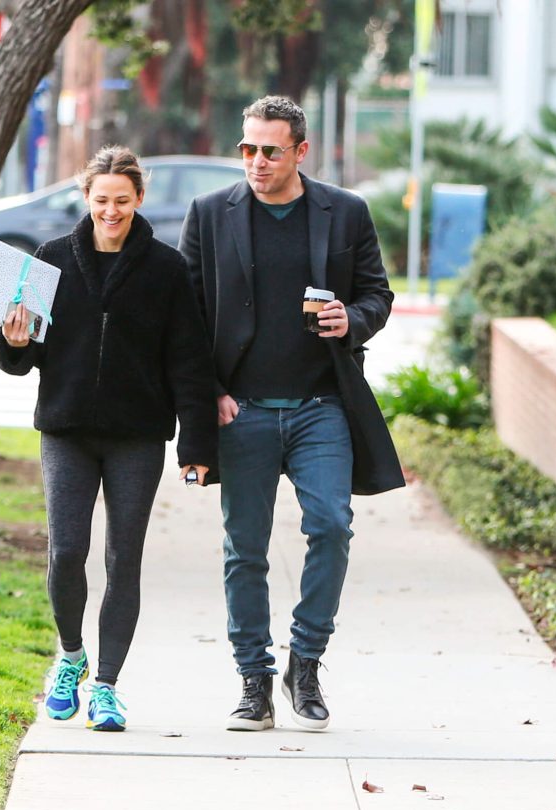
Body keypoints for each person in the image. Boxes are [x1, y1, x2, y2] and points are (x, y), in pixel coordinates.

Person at [179, 96, 404, 731]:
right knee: (244, 550)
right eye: (246, 148)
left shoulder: (346, 211)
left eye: (270, 151)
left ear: (301, 151)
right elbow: (187, 320)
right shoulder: (209, 214)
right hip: (239, 411)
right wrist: (210, 391)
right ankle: (254, 679)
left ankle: (305, 660)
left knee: (332, 525)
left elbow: (377, 294)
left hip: (321, 407)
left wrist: (351, 320)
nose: (256, 161)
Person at [0, 146, 217, 732]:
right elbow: (21, 359)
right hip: (66, 429)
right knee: (66, 551)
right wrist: (13, 341)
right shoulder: (49, 260)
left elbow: (189, 365)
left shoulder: (168, 271)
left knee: (124, 559)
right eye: (101, 201)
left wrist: (195, 449)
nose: (111, 211)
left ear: (139, 199)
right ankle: (71, 657)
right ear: (85, 197)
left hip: (137, 437)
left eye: (122, 200)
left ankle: (108, 687)